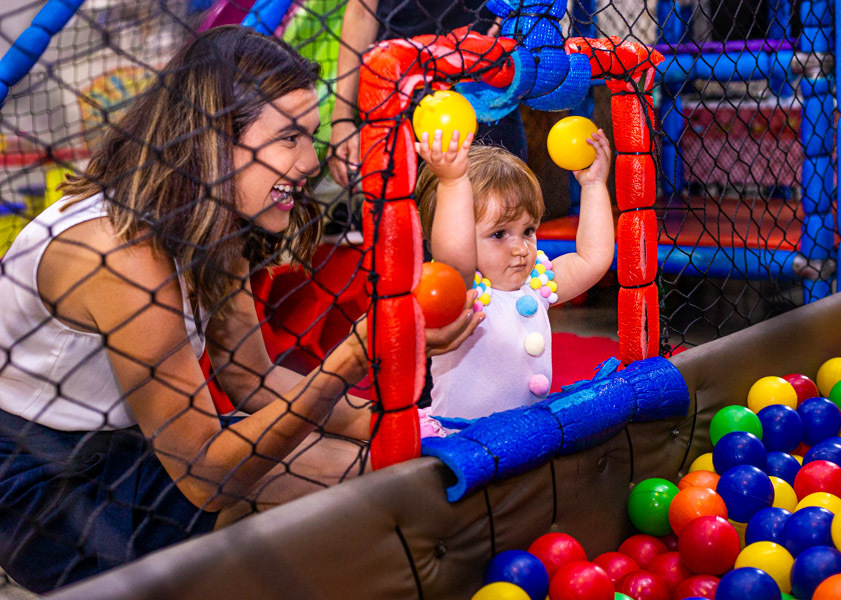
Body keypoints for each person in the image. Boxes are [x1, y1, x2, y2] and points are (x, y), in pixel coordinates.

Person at [0, 26, 479, 593]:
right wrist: (352, 357)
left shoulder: (204, 217)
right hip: (43, 488)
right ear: (213, 140)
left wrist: (397, 427)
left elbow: (253, 377)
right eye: (289, 138)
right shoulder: (122, 253)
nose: (310, 162)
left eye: (312, 135)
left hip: (130, 450)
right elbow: (209, 476)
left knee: (372, 468)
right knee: (315, 485)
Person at [414, 128, 614, 432]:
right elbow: (455, 252)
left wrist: (594, 185)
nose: (521, 248)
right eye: (499, 235)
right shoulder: (459, 293)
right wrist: (452, 183)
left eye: (528, 231)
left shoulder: (536, 285)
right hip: (463, 442)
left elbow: (593, 259)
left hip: (525, 437)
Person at [328, 0, 527, 189]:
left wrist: (514, 12)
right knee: (410, 212)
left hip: (485, 76)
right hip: (402, 83)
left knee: (504, 201)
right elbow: (361, 12)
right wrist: (342, 118)